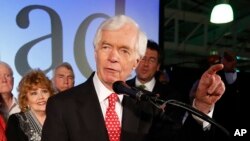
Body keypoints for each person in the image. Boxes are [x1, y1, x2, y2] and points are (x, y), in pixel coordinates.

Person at [41, 15, 226, 141]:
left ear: (135, 61)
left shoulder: (146, 106)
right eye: (106, 47)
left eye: (124, 50)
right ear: (95, 51)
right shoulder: (61, 105)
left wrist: (201, 106)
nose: (113, 57)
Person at [6, 69, 55, 141]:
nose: (41, 97)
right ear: (26, 98)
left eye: (44, 91)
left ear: (50, 93)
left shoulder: (59, 118)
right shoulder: (15, 121)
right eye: (34, 93)